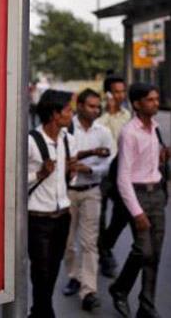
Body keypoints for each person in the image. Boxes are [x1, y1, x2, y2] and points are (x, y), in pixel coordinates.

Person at [109, 84, 166, 318]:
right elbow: (123, 177)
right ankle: (120, 289)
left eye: (156, 98)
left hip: (157, 194)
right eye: (150, 100)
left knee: (155, 254)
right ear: (137, 104)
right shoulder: (129, 132)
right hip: (138, 195)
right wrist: (137, 212)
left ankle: (147, 305)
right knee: (144, 250)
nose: (155, 103)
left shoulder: (156, 128)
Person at [62, 89, 116, 311]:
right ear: (80, 106)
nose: (96, 110)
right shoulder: (67, 129)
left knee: (89, 242)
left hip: (92, 190)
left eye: (97, 106)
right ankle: (74, 275)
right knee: (67, 242)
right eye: (91, 106)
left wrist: (90, 169)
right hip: (67, 191)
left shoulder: (103, 132)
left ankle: (89, 290)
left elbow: (109, 163)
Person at [27, 89, 74, 318]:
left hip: (62, 215)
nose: (71, 114)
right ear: (55, 114)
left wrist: (73, 171)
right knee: (41, 271)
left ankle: (39, 311)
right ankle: (45, 312)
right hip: (38, 218)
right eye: (68, 110)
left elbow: (67, 175)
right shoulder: (30, 141)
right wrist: (38, 174)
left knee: (54, 267)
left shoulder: (67, 139)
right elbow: (13, 180)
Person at [96, 76, 131, 278]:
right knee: (99, 217)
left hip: (122, 172)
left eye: (122, 91)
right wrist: (108, 113)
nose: (120, 96)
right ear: (108, 94)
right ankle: (105, 257)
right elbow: (96, 132)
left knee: (123, 212)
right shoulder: (99, 117)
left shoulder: (128, 116)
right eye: (116, 92)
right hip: (102, 173)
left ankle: (105, 245)